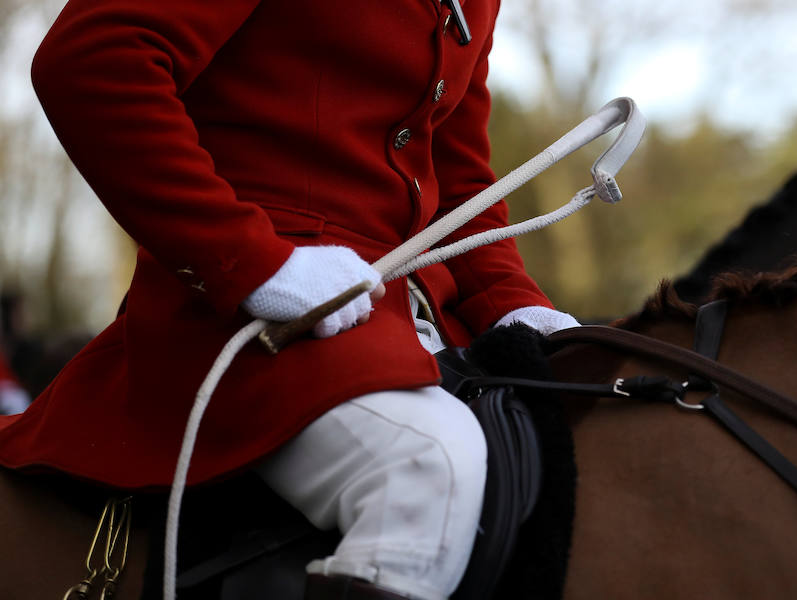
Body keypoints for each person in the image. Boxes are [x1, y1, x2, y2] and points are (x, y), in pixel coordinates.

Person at [0, 1, 579, 599]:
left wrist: (511, 302)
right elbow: (93, 59)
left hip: (407, 315)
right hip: (247, 317)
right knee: (426, 468)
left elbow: (456, 175)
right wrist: (250, 262)